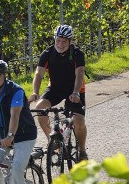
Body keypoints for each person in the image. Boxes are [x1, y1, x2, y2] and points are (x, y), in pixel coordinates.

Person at [30, 24, 89, 161]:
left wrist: (75, 92)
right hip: (55, 88)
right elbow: (38, 74)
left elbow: (79, 74)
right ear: (54, 39)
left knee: (79, 122)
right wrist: (35, 92)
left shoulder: (77, 53)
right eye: (58, 40)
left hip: (75, 90)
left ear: (70, 41)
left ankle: (82, 150)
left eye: (64, 41)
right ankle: (53, 140)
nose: (60, 44)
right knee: (39, 108)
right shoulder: (47, 53)